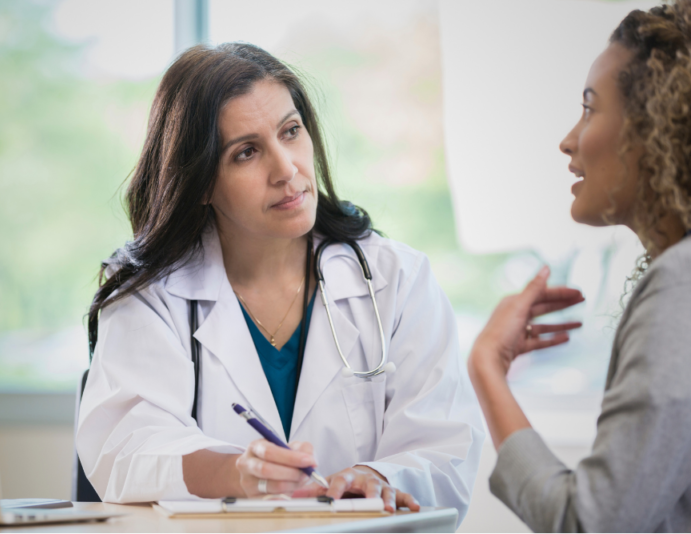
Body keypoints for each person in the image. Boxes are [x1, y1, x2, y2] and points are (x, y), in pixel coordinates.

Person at [76, 43, 484, 518]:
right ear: (201, 182)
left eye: (291, 132)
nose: (286, 169)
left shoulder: (397, 279)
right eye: (246, 152)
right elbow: (123, 449)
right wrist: (237, 473)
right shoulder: (152, 294)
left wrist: (377, 478)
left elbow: (446, 446)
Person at [468, 1, 691, 531]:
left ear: (657, 126)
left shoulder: (680, 285)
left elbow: (592, 524)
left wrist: (486, 367)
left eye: (590, 109)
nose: (569, 140)